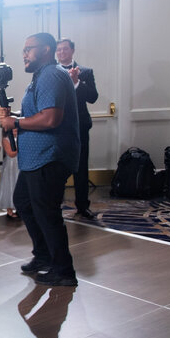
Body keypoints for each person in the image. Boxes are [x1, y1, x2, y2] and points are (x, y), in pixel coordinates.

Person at [0, 33, 80, 287]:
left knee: (47, 213)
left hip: (50, 156)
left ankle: (64, 271)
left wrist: (16, 122)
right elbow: (37, 113)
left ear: (46, 49)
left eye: (29, 49)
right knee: (24, 202)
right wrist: (16, 117)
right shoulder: (41, 76)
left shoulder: (52, 75)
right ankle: (44, 256)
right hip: (36, 159)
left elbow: (50, 119)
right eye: (23, 50)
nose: (24, 54)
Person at [56, 38, 99, 220]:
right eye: (59, 50)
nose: (62, 52)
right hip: (57, 127)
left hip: (80, 127)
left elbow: (93, 97)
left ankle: (82, 206)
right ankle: (55, 204)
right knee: (57, 168)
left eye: (65, 49)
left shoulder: (86, 72)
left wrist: (76, 83)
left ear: (72, 50)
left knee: (81, 167)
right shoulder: (52, 73)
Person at [0, 128, 20, 219]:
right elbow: (11, 154)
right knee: (10, 185)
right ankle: (9, 210)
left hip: (20, 164)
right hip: (11, 165)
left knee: (18, 184)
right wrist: (21, 147)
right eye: (13, 128)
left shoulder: (21, 137)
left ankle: (19, 209)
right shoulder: (6, 139)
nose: (15, 130)